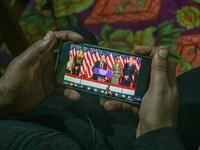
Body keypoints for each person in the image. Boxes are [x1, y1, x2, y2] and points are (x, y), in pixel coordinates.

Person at [0, 30, 199, 150]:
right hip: (94, 139)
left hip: (31, 118)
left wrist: (6, 98)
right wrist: (156, 132)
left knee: (76, 36)